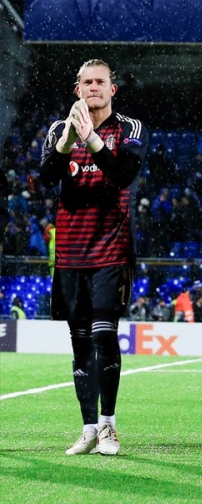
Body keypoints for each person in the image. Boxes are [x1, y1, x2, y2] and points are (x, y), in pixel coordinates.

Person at [39, 58, 148, 456]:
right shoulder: (57, 130)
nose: (93, 88)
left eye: (100, 82)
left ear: (112, 89)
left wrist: (94, 141)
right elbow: (46, 177)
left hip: (111, 250)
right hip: (70, 252)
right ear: (77, 89)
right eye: (86, 82)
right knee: (79, 341)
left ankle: (109, 426)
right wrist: (69, 140)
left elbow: (122, 176)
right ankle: (87, 428)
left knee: (104, 334)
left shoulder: (129, 128)